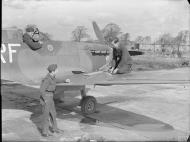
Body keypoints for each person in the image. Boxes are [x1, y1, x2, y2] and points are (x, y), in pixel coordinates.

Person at [40, 64, 62, 137]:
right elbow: (42, 90)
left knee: (53, 113)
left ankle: (55, 129)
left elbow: (56, 81)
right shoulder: (47, 79)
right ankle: (45, 132)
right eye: (57, 69)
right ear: (53, 71)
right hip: (46, 97)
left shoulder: (53, 77)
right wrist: (45, 100)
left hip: (51, 97)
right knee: (46, 116)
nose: (58, 70)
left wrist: (65, 80)